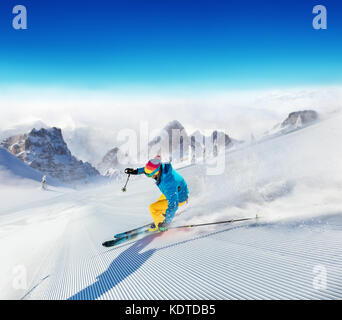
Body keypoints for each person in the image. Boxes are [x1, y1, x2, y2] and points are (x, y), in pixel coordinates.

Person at [125, 155, 189, 232]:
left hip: (180, 198)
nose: (148, 176)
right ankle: (162, 217)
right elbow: (148, 169)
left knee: (153, 208)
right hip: (178, 191)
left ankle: (160, 225)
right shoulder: (161, 167)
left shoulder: (168, 183)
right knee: (159, 203)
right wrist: (136, 171)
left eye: (150, 175)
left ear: (157, 172)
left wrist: (166, 223)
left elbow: (173, 205)